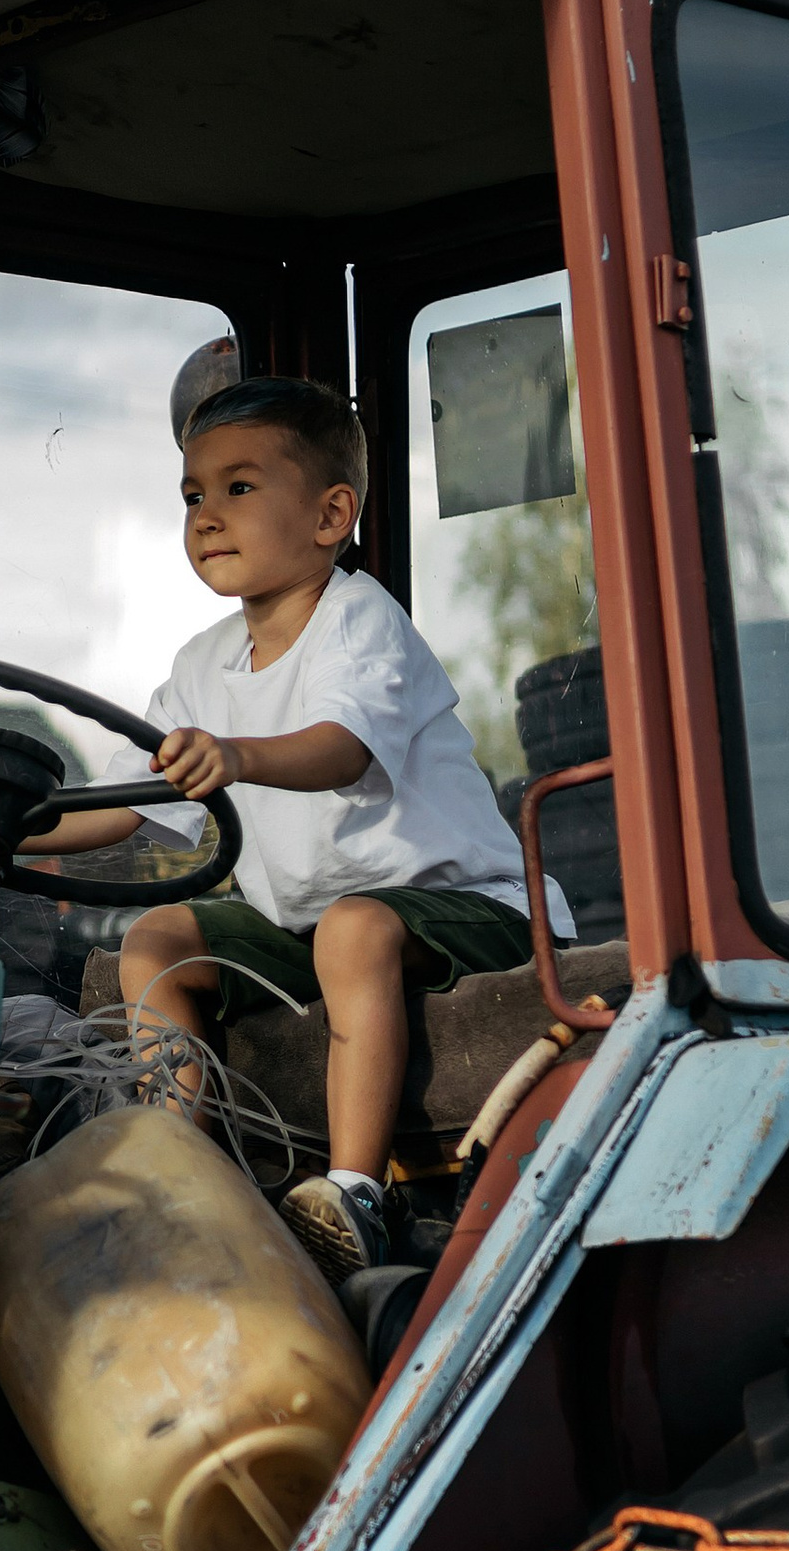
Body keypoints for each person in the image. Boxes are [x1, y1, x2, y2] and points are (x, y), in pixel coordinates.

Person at [37, 372, 573, 1278]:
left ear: (330, 516)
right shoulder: (202, 663)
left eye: (238, 487)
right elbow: (120, 803)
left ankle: (357, 1193)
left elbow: (340, 749)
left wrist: (237, 755)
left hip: (472, 907)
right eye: (193, 496)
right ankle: (180, 1169)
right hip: (307, 923)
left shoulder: (358, 621)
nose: (206, 516)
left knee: (355, 930)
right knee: (160, 937)